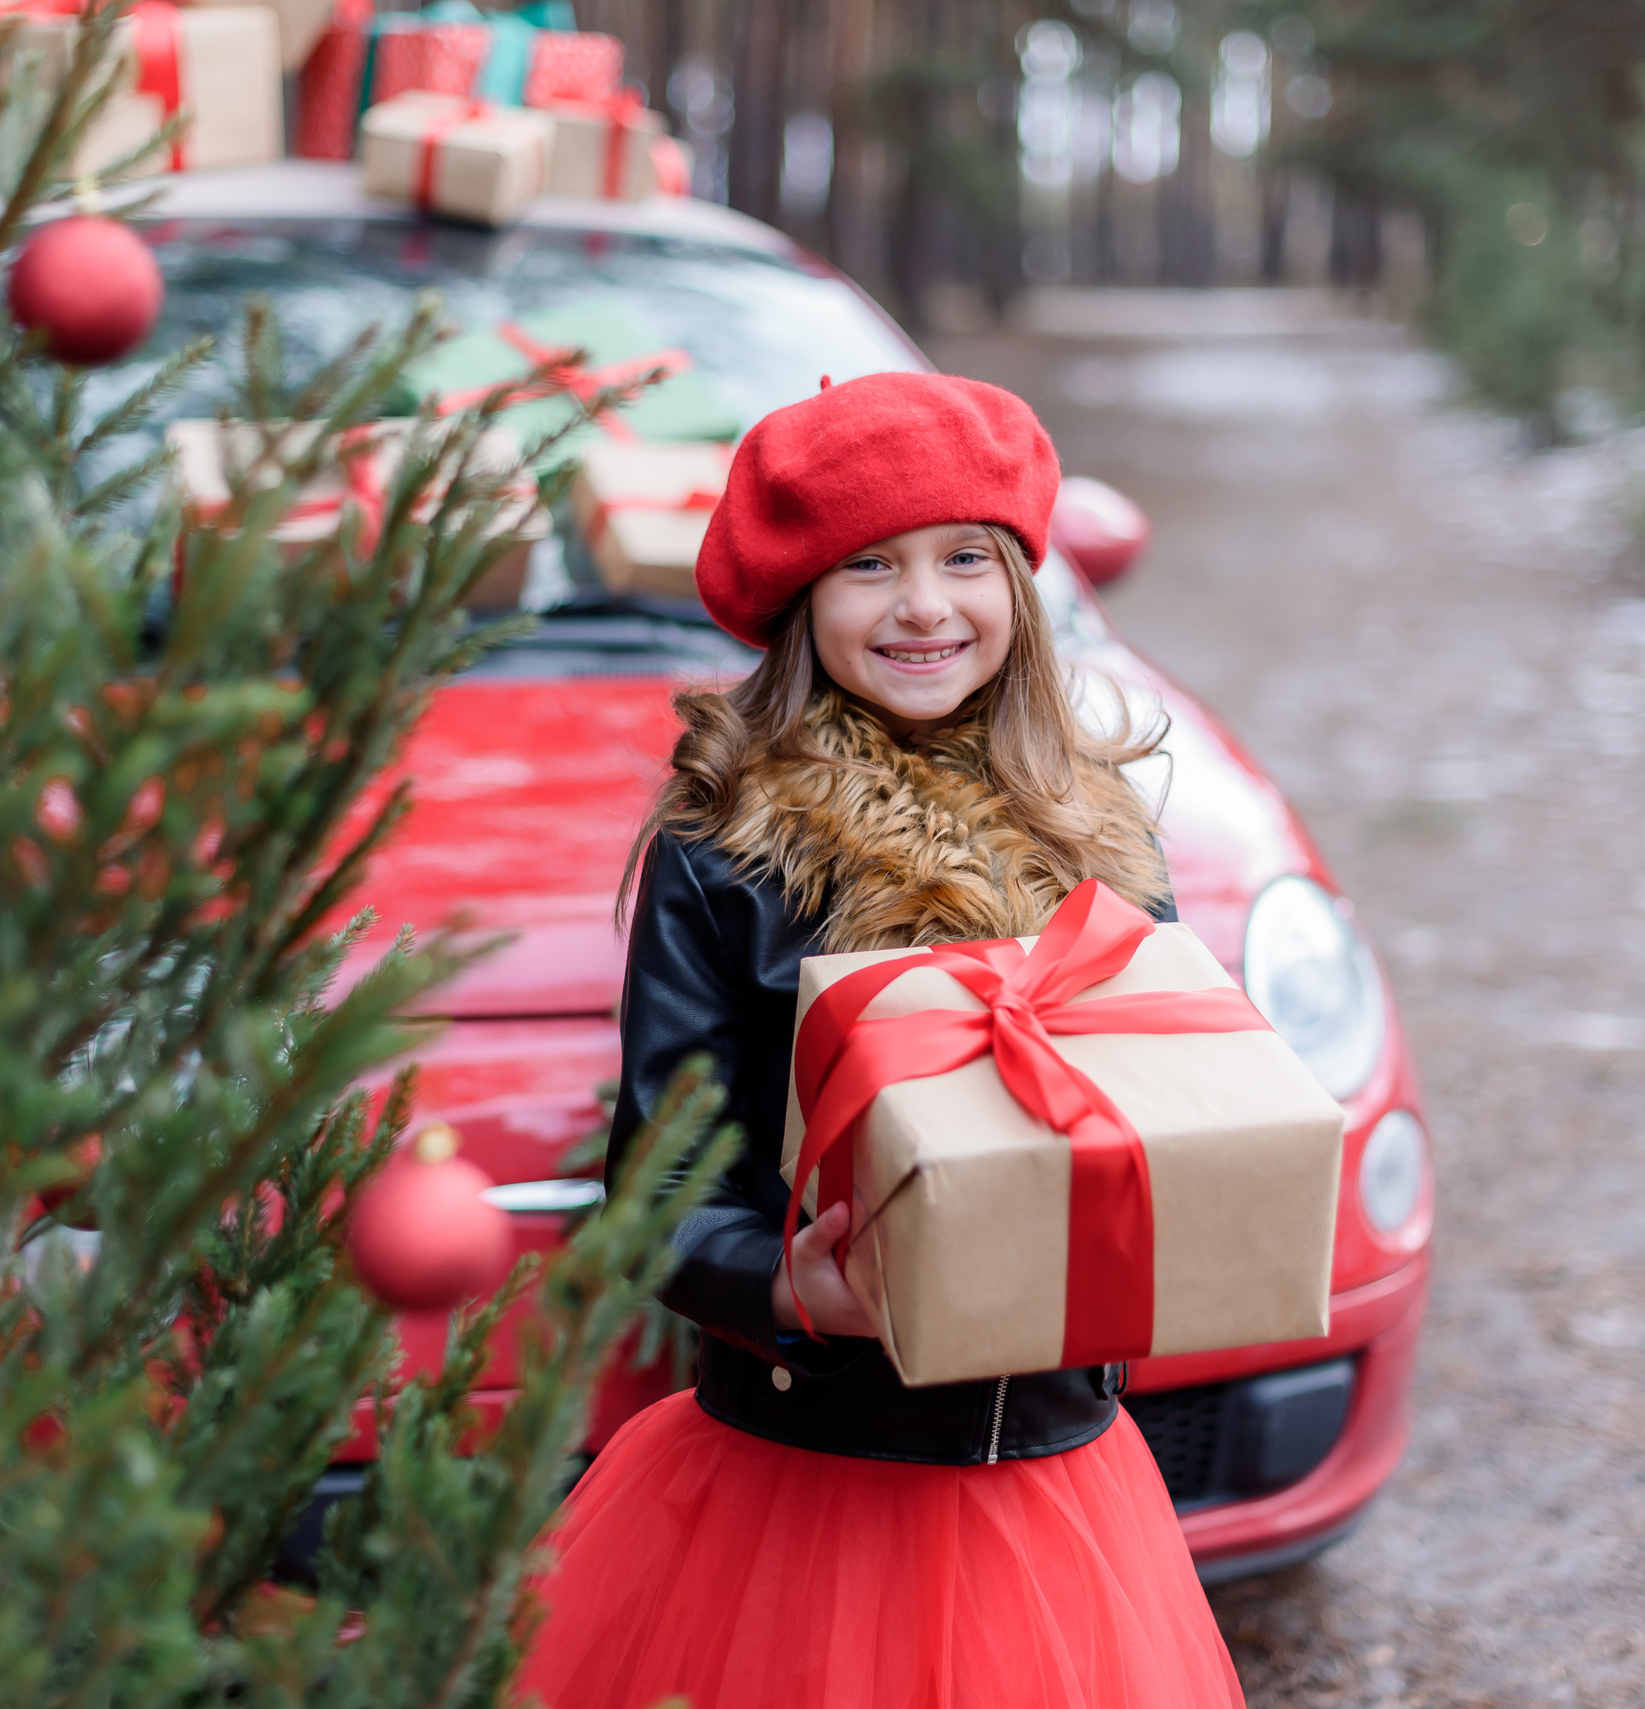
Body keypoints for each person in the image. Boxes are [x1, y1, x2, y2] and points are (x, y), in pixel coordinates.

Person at [516, 373, 1246, 1709]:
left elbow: (1152, 1096)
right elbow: (654, 1199)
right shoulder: (726, 849)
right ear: (801, 601)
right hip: (808, 1479)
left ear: (1019, 589)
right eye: (868, 566)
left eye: (964, 557)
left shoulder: (1102, 829)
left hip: (1054, 1478)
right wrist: (793, 1288)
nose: (923, 605)